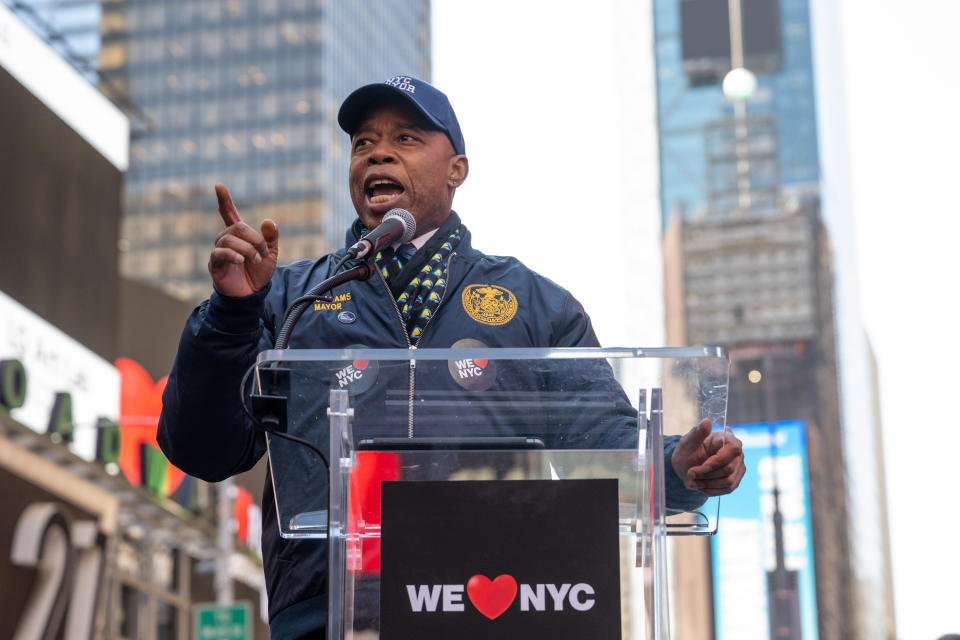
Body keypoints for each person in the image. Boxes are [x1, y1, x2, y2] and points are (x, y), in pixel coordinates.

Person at [158, 75, 746, 639]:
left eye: (405, 139)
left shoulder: (534, 306)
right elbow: (205, 450)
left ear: (456, 169)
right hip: (327, 611)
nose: (377, 155)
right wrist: (233, 312)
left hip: (501, 600)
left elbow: (601, 448)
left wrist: (674, 468)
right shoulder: (288, 299)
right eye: (363, 143)